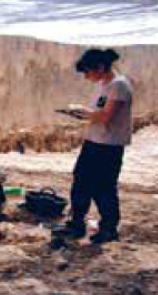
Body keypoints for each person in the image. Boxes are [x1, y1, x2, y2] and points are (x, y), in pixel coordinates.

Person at [52, 48, 133, 245]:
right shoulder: (103, 85)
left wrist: (83, 112)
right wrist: (82, 114)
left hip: (109, 145)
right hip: (94, 141)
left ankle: (108, 228)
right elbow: (98, 114)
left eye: (88, 72)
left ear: (100, 67)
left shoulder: (119, 85)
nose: (87, 77)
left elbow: (106, 116)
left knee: (103, 187)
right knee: (80, 181)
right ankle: (77, 222)